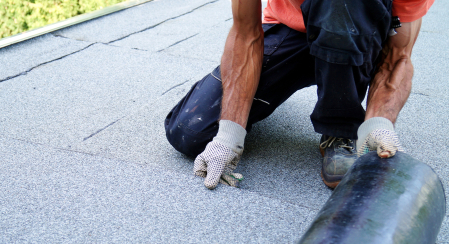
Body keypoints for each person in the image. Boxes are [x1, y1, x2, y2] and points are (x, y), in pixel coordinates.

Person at [164, 0, 433, 189]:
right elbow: (246, 34)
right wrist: (228, 134)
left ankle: (339, 128)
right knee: (190, 132)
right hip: (291, 32)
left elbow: (398, 55)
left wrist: (379, 122)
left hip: (356, 38)